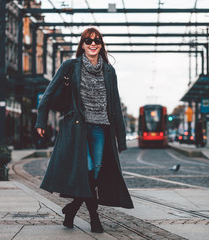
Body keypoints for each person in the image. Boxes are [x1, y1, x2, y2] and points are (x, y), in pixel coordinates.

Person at [35, 27, 133, 233]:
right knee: (87, 169)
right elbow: (48, 93)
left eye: (96, 40)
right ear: (82, 45)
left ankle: (71, 210)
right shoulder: (70, 66)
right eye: (88, 40)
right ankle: (94, 219)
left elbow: (115, 106)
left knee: (94, 173)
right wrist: (40, 122)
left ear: (101, 45)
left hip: (101, 128)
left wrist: (120, 138)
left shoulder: (109, 71)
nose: (92, 43)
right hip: (77, 129)